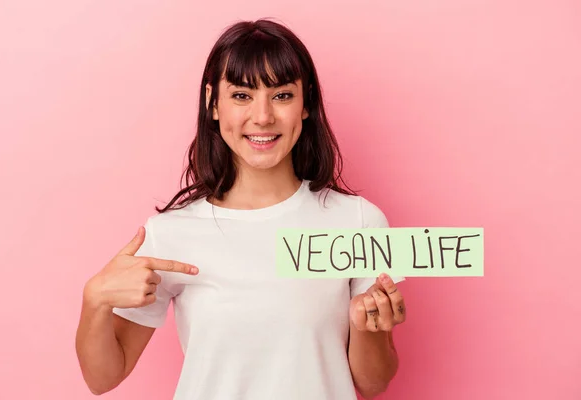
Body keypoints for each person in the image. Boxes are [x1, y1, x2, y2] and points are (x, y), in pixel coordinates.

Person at [75, 18, 407, 400]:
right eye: (241, 96)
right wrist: (94, 299)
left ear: (306, 104)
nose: (263, 117)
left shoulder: (358, 221)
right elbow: (103, 378)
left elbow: (374, 383)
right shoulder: (170, 234)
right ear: (213, 103)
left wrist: (365, 326)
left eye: (281, 95)